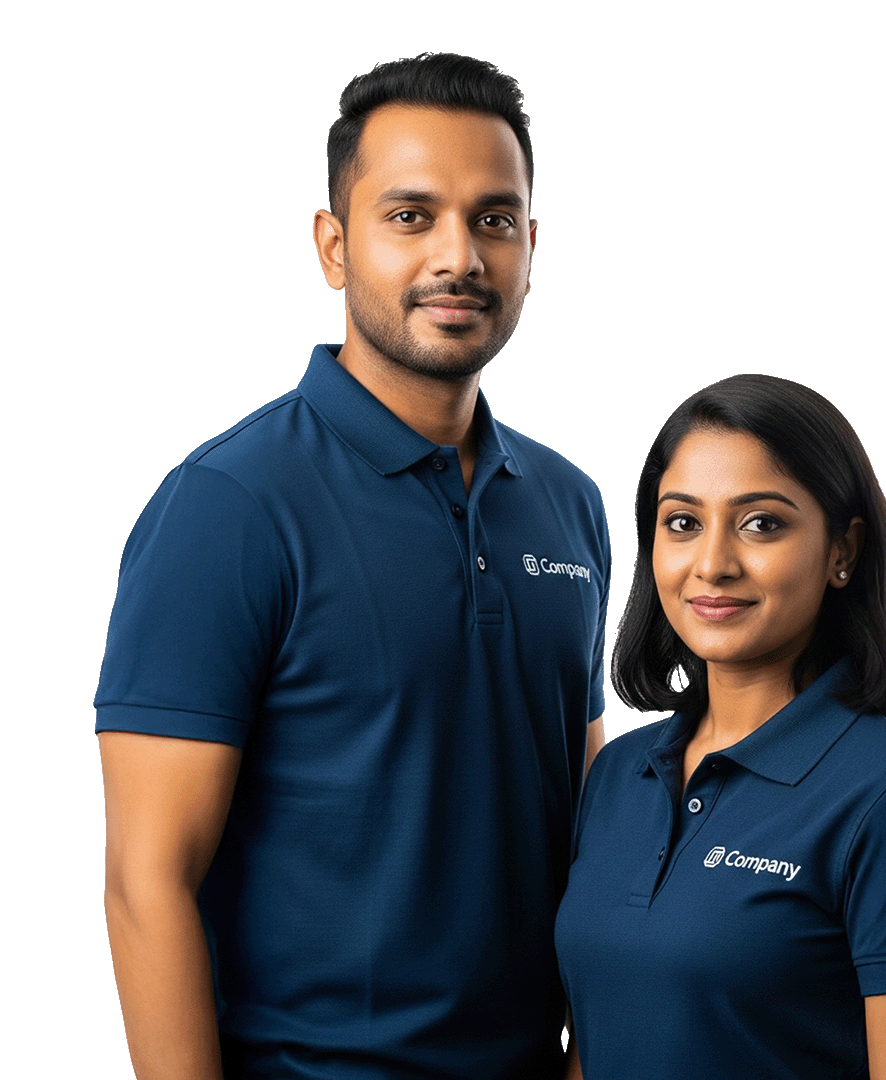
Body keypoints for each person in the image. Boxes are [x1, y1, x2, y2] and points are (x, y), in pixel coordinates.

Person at [95, 53, 608, 1080]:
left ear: (531, 247)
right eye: (410, 217)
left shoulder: (568, 503)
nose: (459, 256)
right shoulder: (228, 506)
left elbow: (587, 824)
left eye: (494, 219)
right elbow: (147, 883)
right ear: (334, 247)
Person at [555, 375, 886, 1080]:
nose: (713, 565)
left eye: (761, 524)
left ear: (843, 551)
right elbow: (593, 1047)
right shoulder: (619, 774)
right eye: (682, 523)